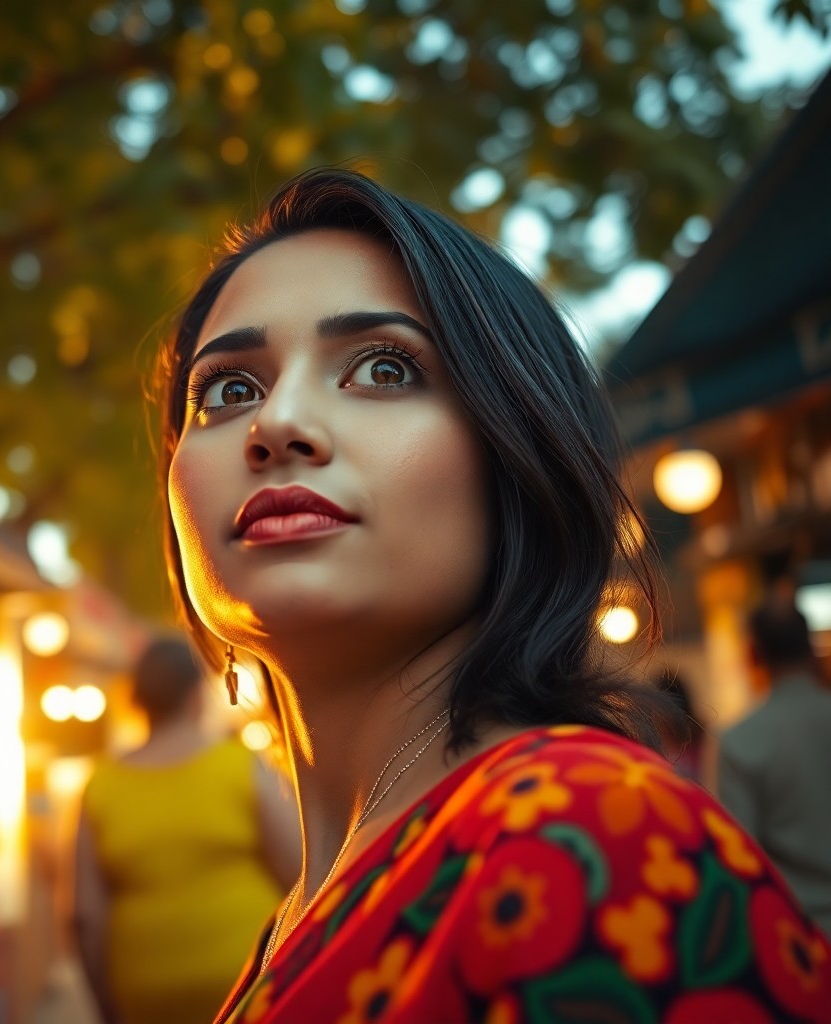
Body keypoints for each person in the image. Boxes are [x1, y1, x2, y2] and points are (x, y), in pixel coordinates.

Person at [154, 167, 831, 1023]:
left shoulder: (593, 838)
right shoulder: (299, 911)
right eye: (228, 389)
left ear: (518, 452)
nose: (276, 422)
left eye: (384, 369)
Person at [73, 635, 300, 1024]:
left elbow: (84, 914)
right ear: (197, 696)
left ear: (138, 700)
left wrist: (104, 1003)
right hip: (247, 977)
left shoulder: (102, 785)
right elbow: (300, 871)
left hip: (145, 988)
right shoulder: (241, 766)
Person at [718, 598, 831, 941]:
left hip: (800, 935)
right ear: (810, 647)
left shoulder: (741, 741)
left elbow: (743, 860)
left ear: (752, 655)